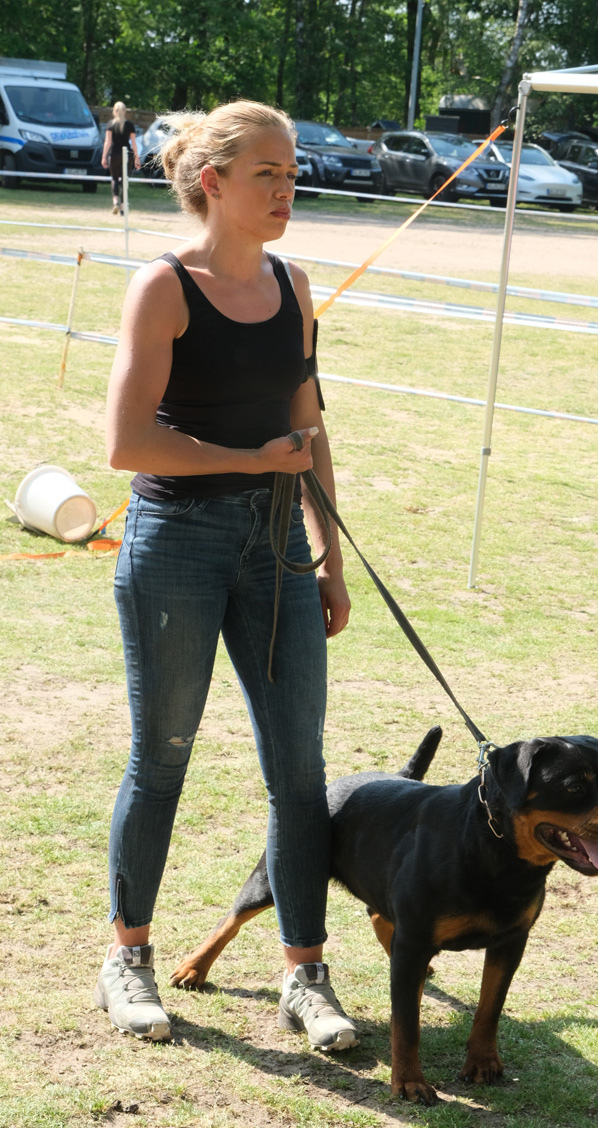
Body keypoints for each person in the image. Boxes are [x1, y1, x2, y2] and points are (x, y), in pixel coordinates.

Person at [93, 100, 358, 1052]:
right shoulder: (163, 287)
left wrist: (326, 551)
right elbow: (127, 443)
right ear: (214, 183)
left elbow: (309, 423)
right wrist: (259, 464)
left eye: (293, 174)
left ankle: (306, 974)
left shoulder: (295, 285)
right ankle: (128, 957)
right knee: (161, 758)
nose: (288, 189)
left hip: (280, 546)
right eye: (268, 175)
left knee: (299, 770)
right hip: (178, 540)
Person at [101, 101, 141, 215]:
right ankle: (123, 207)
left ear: (114, 111)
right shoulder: (130, 125)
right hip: (126, 154)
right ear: (125, 111)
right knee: (125, 180)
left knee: (114, 179)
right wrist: (137, 158)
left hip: (113, 153)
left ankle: (115, 202)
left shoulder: (110, 124)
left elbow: (107, 142)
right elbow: (133, 143)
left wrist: (104, 156)